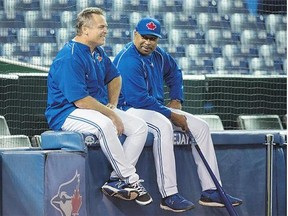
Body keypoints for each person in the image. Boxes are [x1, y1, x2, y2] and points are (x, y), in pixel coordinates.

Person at [113, 17, 243, 212]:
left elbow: (175, 73)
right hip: (130, 109)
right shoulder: (128, 60)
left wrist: (176, 99)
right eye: (144, 37)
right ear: (135, 34)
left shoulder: (159, 55)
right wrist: (171, 115)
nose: (148, 42)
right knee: (163, 126)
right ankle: (169, 194)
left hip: (153, 107)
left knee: (201, 127)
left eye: (153, 39)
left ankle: (211, 190)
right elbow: (138, 98)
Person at [45, 7, 153, 206]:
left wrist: (111, 105)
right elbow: (80, 101)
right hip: (66, 112)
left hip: (93, 109)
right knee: (105, 125)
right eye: (102, 27)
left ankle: (116, 179)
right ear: (85, 30)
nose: (106, 30)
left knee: (140, 127)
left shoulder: (97, 52)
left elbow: (115, 77)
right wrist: (112, 115)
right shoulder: (69, 56)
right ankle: (130, 179)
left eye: (106, 27)